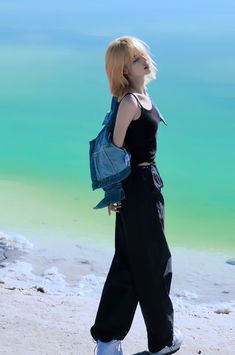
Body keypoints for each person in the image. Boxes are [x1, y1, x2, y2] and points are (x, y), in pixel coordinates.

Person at [90, 35, 183, 355]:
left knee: (129, 262)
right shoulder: (129, 102)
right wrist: (114, 191)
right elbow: (113, 151)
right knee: (156, 263)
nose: (144, 60)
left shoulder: (143, 96)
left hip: (146, 183)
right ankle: (162, 341)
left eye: (142, 55)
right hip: (138, 188)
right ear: (123, 70)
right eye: (134, 59)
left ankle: (107, 340)